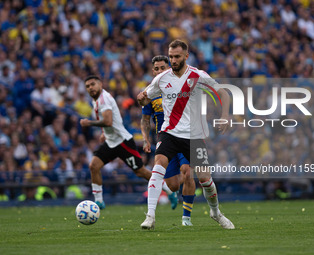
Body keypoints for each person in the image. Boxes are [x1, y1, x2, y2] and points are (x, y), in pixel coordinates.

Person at [137, 39, 235, 230]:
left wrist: (225, 116)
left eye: (177, 57)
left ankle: (216, 213)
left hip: (194, 136)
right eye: (171, 56)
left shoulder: (198, 76)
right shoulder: (162, 78)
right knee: (158, 166)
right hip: (169, 132)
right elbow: (145, 99)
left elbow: (223, 93)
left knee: (206, 180)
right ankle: (150, 216)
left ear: (186, 56)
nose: (173, 60)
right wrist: (141, 98)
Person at [80, 75, 176, 209]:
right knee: (93, 166)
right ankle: (99, 202)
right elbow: (108, 121)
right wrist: (103, 133)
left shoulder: (104, 99)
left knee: (140, 171)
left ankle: (169, 191)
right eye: (88, 86)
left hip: (123, 142)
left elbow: (108, 121)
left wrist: (88, 123)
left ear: (100, 84)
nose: (90, 88)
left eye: (92, 84)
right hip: (111, 142)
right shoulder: (96, 100)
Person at [141, 55, 196, 226]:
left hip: (185, 135)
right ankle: (169, 192)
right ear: (153, 71)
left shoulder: (182, 85)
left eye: (162, 68)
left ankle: (186, 218)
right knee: (173, 185)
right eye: (156, 68)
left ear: (169, 67)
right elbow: (145, 120)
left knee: (187, 171)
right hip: (166, 139)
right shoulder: (151, 93)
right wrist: (145, 139)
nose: (159, 71)